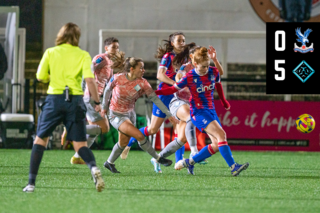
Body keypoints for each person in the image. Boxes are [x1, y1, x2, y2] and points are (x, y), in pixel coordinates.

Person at [23, 23, 105, 192]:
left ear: (60, 35)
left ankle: (31, 184)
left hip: (55, 99)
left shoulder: (51, 52)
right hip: (75, 101)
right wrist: (97, 103)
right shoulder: (83, 55)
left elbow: (40, 76)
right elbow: (90, 81)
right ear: (77, 37)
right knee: (80, 145)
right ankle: (93, 167)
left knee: (40, 140)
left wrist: (51, 78)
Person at [155, 46, 249, 176]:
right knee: (222, 135)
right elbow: (173, 89)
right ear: (195, 63)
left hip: (211, 110)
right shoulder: (189, 76)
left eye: (207, 65)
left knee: (216, 144)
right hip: (198, 112)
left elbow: (218, 84)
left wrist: (223, 101)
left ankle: (189, 162)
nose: (206, 69)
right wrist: (154, 92)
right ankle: (233, 167)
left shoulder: (212, 71)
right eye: (203, 66)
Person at [101, 57, 179, 173]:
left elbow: (155, 99)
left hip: (130, 115)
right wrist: (104, 107)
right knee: (140, 136)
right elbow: (107, 90)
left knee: (123, 143)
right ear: (132, 69)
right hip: (115, 115)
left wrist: (168, 114)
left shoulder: (143, 83)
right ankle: (158, 158)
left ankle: (109, 163)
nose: (144, 70)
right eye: (141, 68)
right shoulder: (118, 78)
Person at [120, 32, 185, 162]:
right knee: (152, 129)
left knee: (179, 127)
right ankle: (129, 143)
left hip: (176, 97)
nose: (182, 43)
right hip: (164, 96)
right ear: (172, 43)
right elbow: (160, 75)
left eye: (183, 40)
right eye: (179, 41)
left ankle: (179, 161)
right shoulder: (168, 57)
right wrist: (175, 83)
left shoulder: (185, 58)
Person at [62, 37, 125, 164]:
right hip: (92, 97)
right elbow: (87, 72)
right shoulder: (101, 58)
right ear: (106, 48)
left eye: (117, 47)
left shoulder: (109, 63)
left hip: (95, 96)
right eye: (113, 47)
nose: (116, 50)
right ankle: (71, 128)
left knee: (95, 130)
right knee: (104, 128)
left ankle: (77, 157)